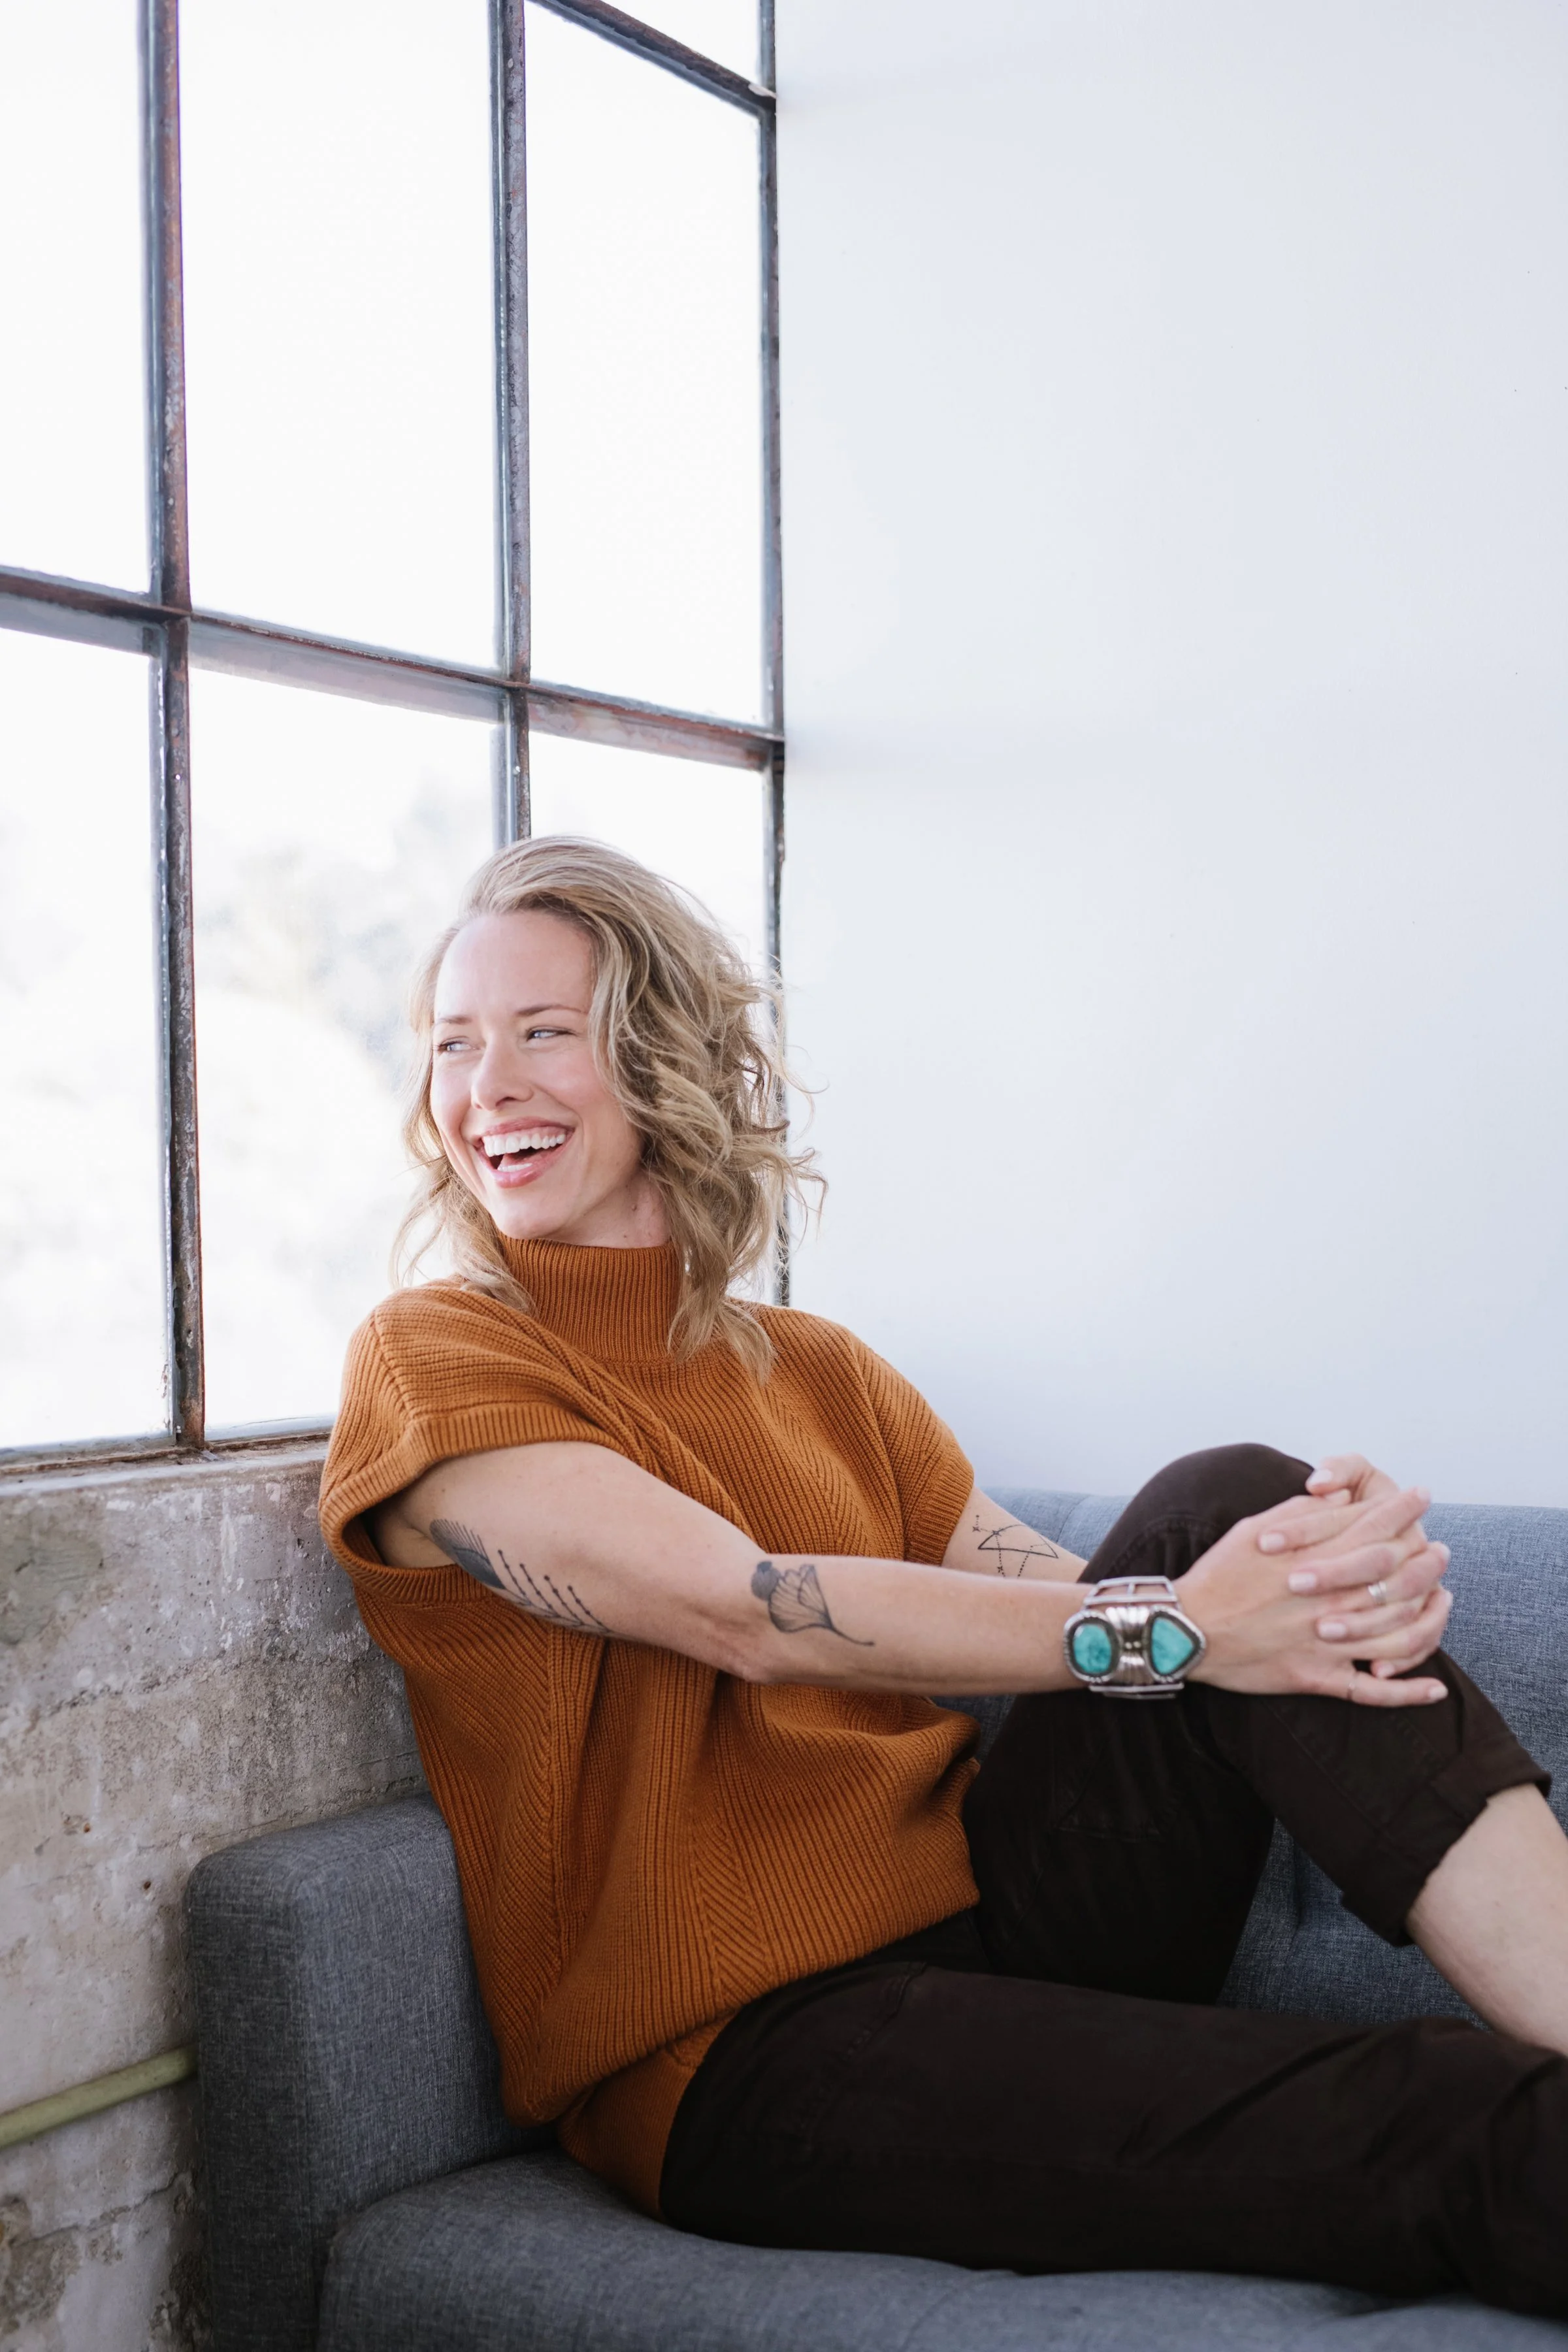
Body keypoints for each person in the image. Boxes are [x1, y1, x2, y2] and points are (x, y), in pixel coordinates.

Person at [319, 836, 1568, 2315]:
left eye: (543, 1033)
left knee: (1229, 1503)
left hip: (994, 1933)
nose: (486, 1090)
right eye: (456, 1047)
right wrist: (1181, 1630)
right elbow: (745, 1610)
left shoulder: (824, 1374)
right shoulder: (441, 1357)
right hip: (746, 2060)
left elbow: (1086, 1601)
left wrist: (1289, 1589)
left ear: (664, 1057)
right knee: (1453, 2122)